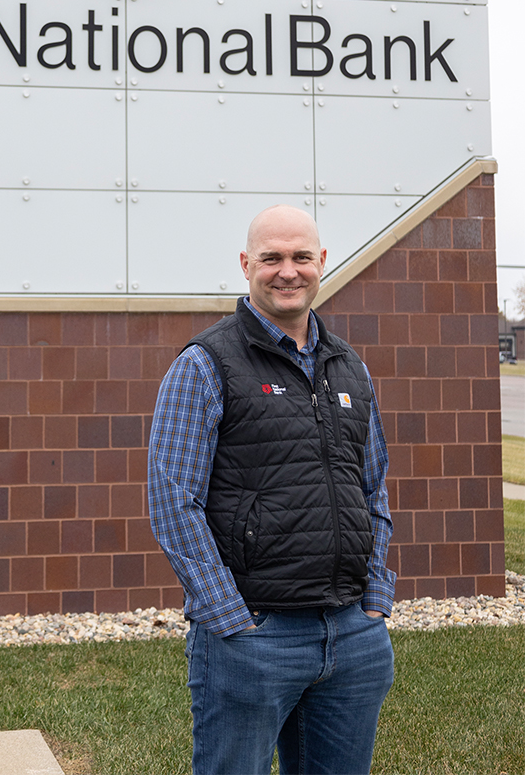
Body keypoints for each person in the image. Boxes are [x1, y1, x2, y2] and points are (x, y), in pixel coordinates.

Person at [148, 205, 396, 775]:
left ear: (322, 262)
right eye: (272, 258)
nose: (288, 271)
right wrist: (228, 617)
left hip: (353, 633)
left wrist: (376, 596)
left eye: (301, 257)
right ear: (246, 265)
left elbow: (373, 488)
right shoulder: (205, 364)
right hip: (257, 638)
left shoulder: (349, 368)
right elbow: (172, 502)